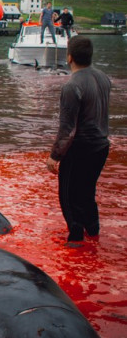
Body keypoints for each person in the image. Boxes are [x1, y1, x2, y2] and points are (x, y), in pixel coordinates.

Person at [46, 36, 111, 247]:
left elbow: (68, 129)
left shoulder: (72, 86)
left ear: (70, 57)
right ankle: (93, 230)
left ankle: (75, 238)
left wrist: (55, 156)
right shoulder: (103, 78)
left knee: (68, 195)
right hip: (101, 146)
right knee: (87, 190)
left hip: (79, 148)